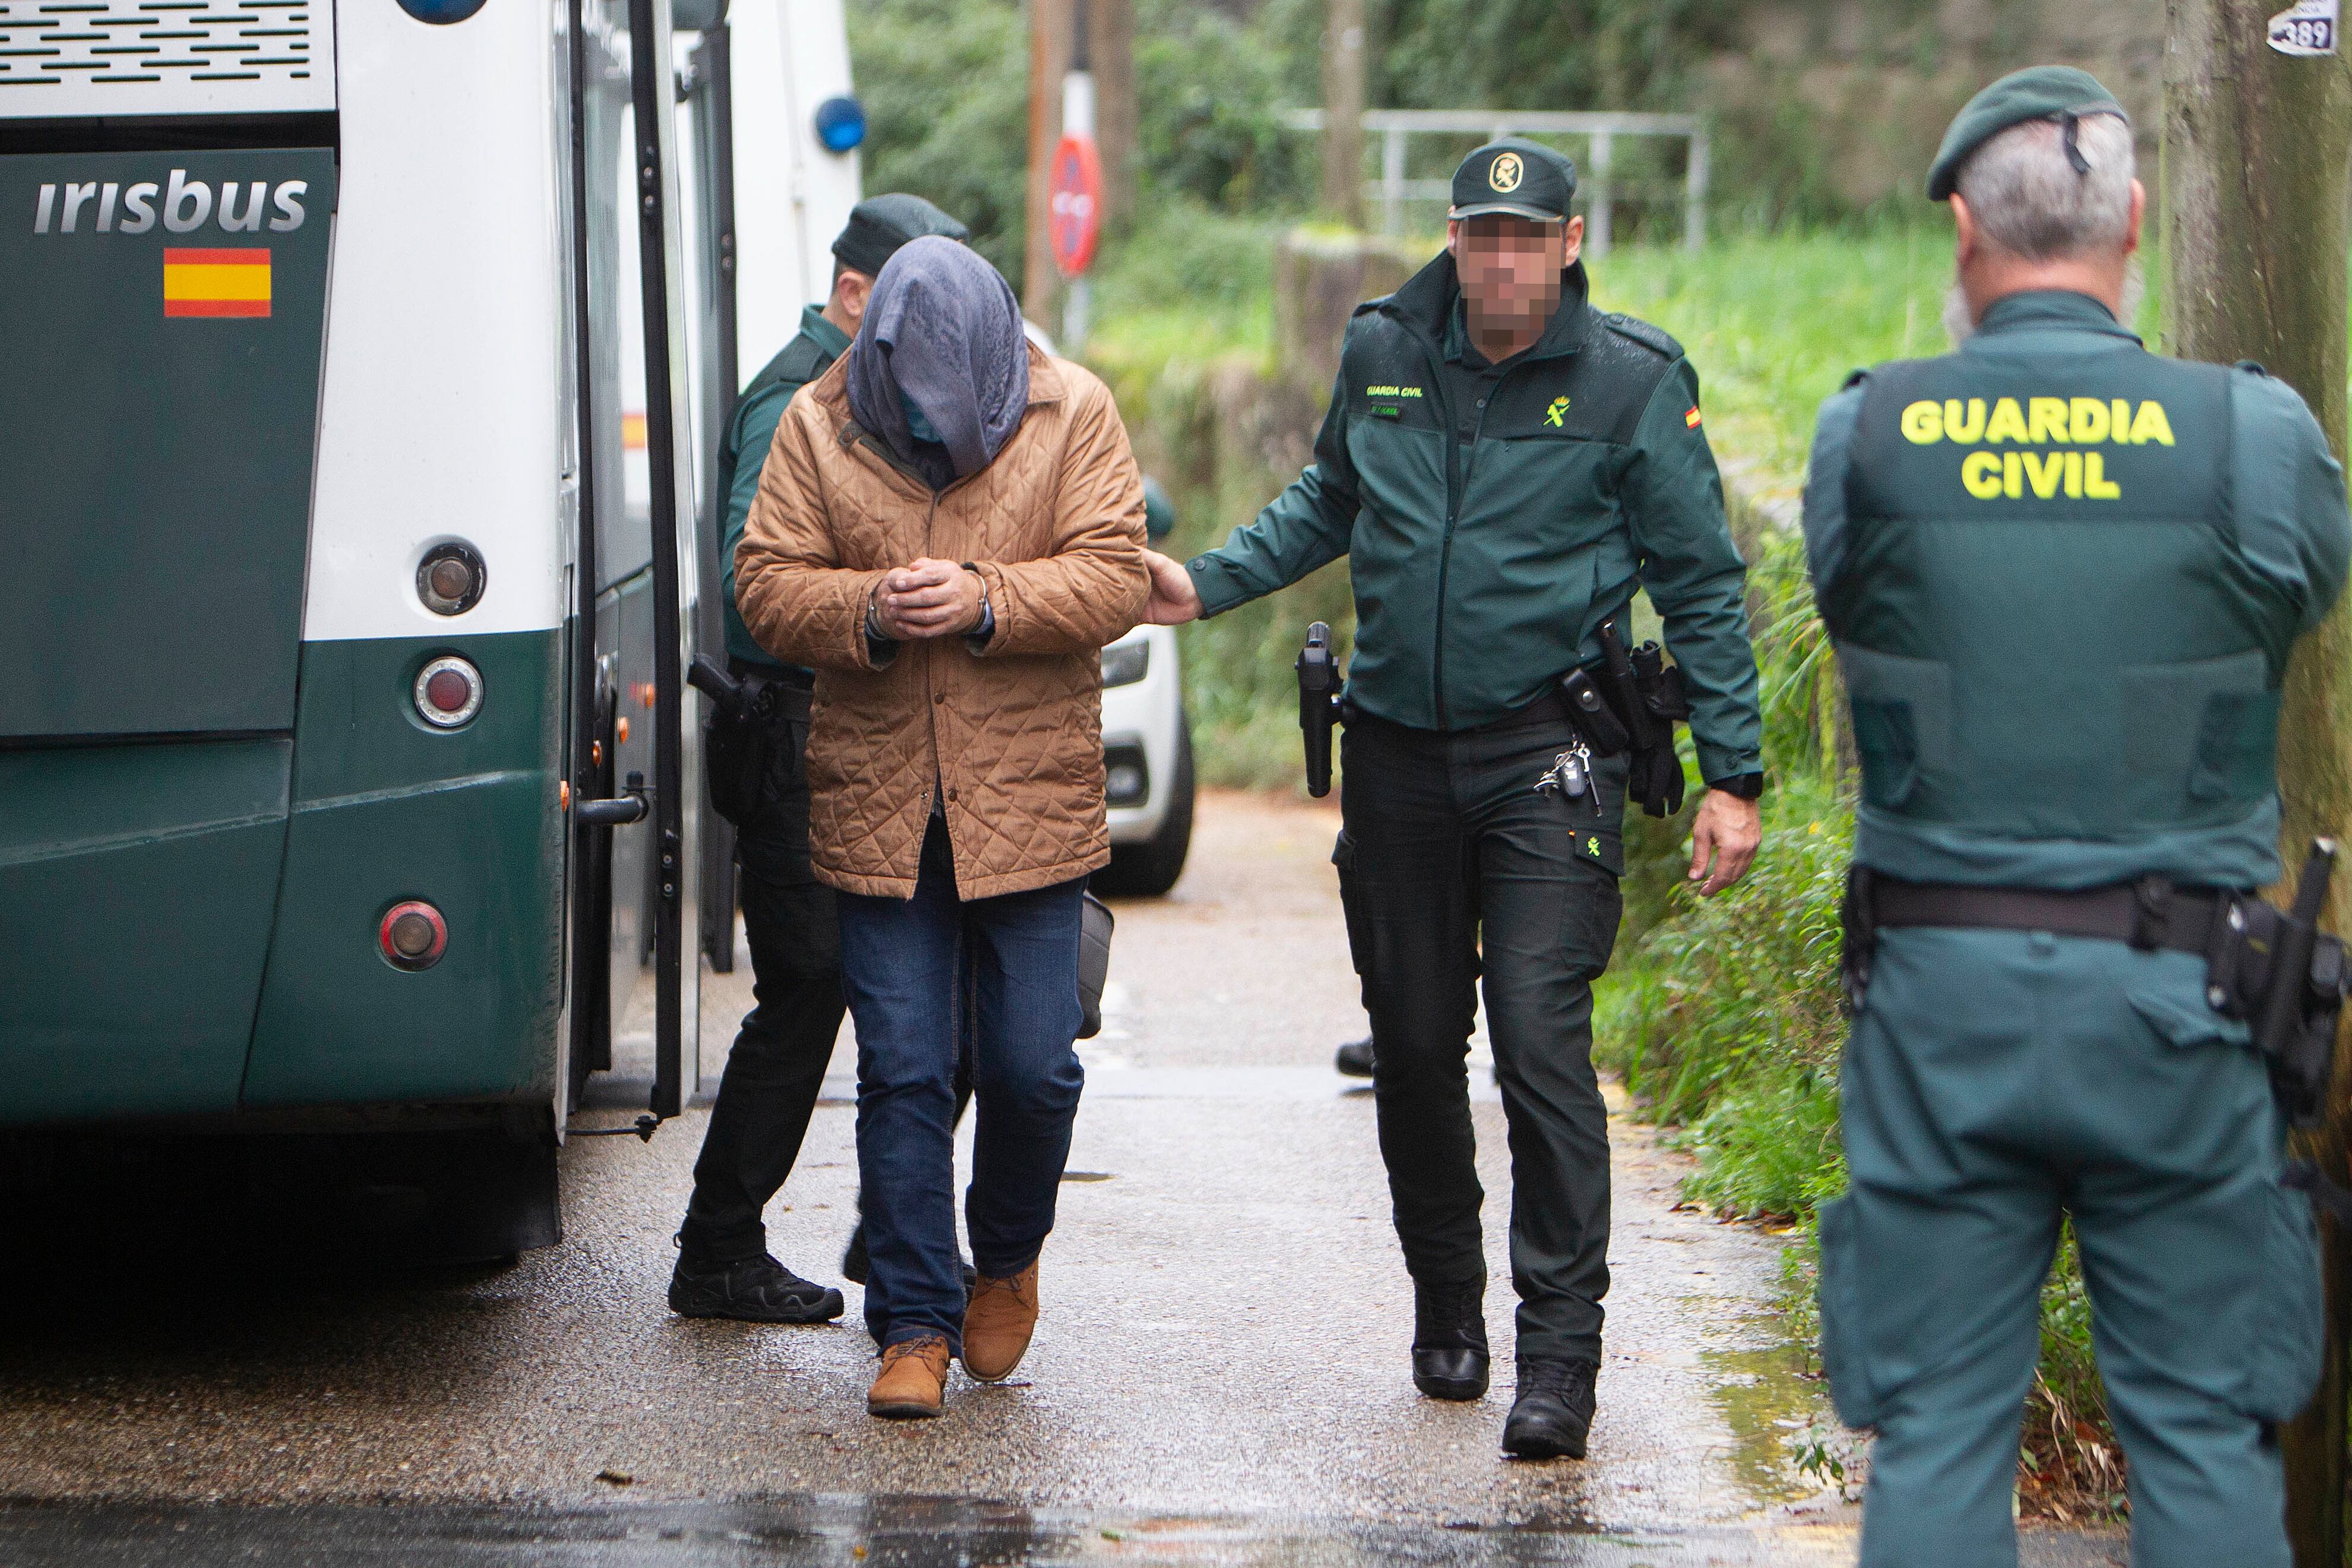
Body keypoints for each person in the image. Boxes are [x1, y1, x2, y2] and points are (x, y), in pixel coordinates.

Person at [1142, 139, 1765, 1459]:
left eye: (1527, 238)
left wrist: (1734, 775)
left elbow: (1702, 580)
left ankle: (1560, 1361)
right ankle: (1447, 1299)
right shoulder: (1383, 348)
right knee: (1417, 1049)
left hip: (1548, 756)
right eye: (1483, 236)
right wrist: (1205, 582)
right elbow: (1330, 497)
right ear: (1453, 236)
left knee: (1541, 1046)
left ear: (1571, 241)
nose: (1502, 260)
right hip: (1396, 756)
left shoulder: (1633, 383)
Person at [1802, 67, 2350, 1568]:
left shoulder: (1870, 436)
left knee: (1937, 1435)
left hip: (1941, 1007)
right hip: (2187, 1008)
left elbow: (1848, 594)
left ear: (1965, 230)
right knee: (2200, 1432)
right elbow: (2305, 594)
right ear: (2138, 223)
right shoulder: (2255, 441)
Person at [736, 236, 1150, 1420]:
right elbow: (762, 581)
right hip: (880, 800)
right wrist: (864, 603)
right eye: (900, 406)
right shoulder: (816, 425)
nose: (926, 429)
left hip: (1027, 798)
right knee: (904, 1068)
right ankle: (913, 1326)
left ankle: (1007, 1255)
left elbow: (1116, 572)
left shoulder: (1075, 413)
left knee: (1032, 1064)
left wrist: (984, 599)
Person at [666, 193, 969, 1326]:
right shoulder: (803, 390)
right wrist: (877, 599)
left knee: (913, 980)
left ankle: (882, 1219)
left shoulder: (868, 391)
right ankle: (719, 1248)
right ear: (858, 297)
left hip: (851, 728)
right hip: (794, 730)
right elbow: (755, 586)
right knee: (812, 988)